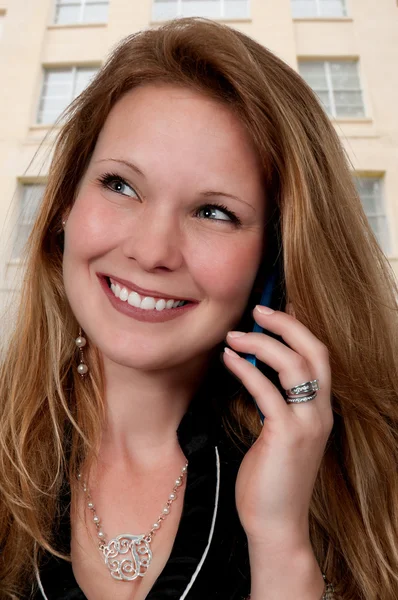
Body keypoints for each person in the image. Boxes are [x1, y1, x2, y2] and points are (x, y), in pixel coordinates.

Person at [0, 16, 397, 600]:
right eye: (121, 186)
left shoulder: (369, 488)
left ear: (279, 259)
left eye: (214, 212)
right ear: (65, 205)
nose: (151, 250)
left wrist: (280, 542)